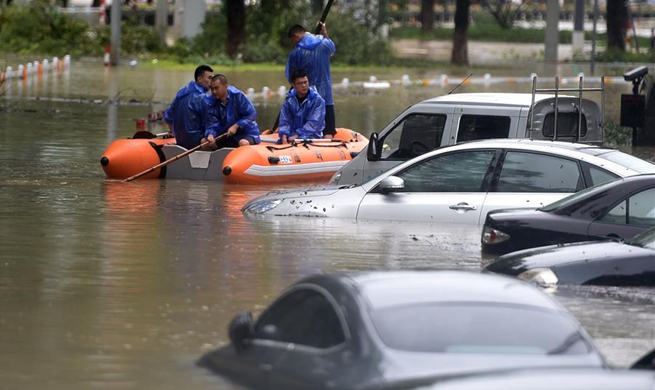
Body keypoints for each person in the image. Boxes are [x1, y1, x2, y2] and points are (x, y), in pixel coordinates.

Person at [285, 22, 336, 139]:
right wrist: (324, 32)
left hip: (306, 97)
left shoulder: (295, 53)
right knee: (328, 130)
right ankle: (327, 142)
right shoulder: (324, 44)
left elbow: (291, 75)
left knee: (304, 126)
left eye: (292, 40)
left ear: (295, 36)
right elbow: (332, 50)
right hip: (326, 95)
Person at [203, 74, 261, 150]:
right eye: (212, 89)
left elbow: (251, 115)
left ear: (225, 86)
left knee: (243, 143)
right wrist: (210, 135)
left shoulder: (239, 96)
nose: (214, 91)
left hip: (246, 133)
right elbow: (212, 124)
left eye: (217, 88)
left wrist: (236, 126)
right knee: (204, 142)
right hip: (225, 135)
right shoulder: (210, 103)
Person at [164, 65, 213, 149]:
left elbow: (168, 117)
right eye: (209, 78)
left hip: (180, 140)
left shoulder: (180, 93)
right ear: (200, 79)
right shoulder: (204, 98)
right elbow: (210, 122)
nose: (212, 82)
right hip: (197, 141)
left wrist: (173, 132)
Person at [278, 69, 325, 144]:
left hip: (311, 138)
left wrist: (297, 136)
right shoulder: (289, 101)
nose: (304, 85)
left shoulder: (318, 101)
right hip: (292, 137)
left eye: (305, 82)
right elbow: (284, 121)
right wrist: (284, 136)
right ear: (293, 85)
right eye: (300, 83)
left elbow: (314, 123)